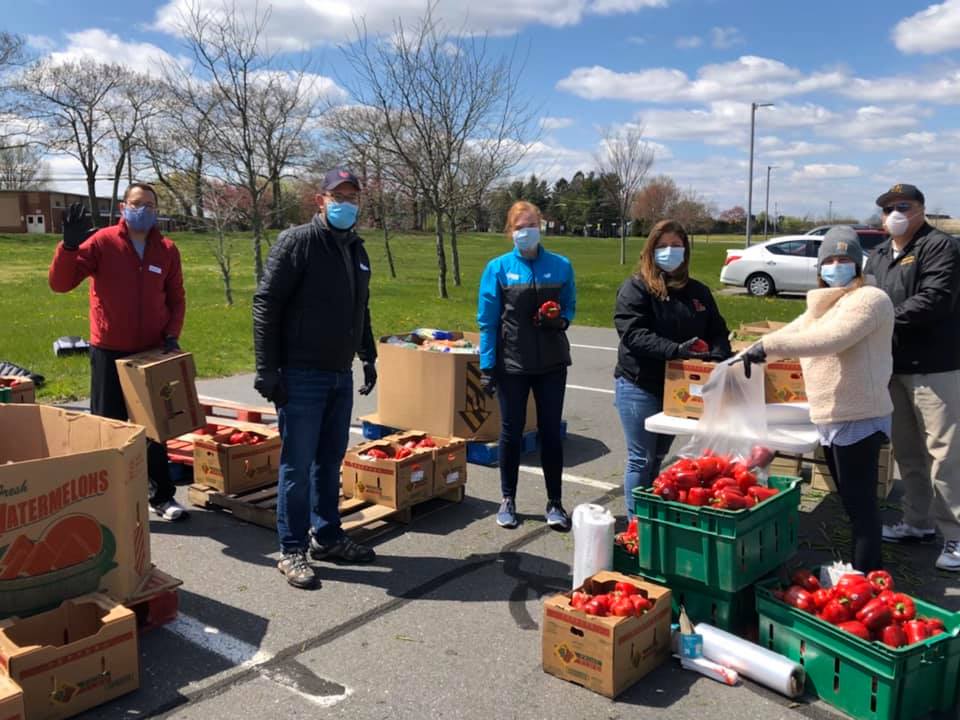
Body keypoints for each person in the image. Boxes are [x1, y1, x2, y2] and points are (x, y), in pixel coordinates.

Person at [252, 168, 378, 589]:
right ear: (319, 200)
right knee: (298, 466)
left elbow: (362, 308)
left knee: (329, 462)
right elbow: (266, 304)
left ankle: (328, 536)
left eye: (353, 196)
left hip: (339, 374)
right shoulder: (298, 242)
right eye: (338, 194)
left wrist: (368, 355)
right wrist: (267, 368)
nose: (347, 202)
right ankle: (291, 549)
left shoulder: (357, 249)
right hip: (301, 374)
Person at [742, 227, 895, 572]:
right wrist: (751, 350)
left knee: (861, 505)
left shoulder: (870, 299)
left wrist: (767, 348)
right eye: (830, 259)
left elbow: (830, 339)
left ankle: (869, 575)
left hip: (858, 415)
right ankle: (863, 573)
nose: (837, 265)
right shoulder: (827, 302)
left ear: (858, 264)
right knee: (849, 500)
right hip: (831, 414)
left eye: (844, 259)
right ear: (820, 266)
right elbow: (795, 329)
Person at [48, 183, 188, 521]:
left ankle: (161, 496)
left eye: (150, 205)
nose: (144, 210)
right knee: (109, 427)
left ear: (157, 210)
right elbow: (61, 283)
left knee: (154, 429)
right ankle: (108, 499)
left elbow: (176, 298)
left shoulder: (166, 249)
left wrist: (171, 336)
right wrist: (68, 247)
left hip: (151, 353)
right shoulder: (102, 242)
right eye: (137, 204)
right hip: (109, 352)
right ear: (123, 207)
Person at [863, 183, 960, 572]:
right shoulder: (881, 254)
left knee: (946, 452)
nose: (895, 214)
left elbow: (935, 298)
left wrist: (880, 318)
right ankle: (917, 523)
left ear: (921, 209)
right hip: (894, 366)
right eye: (887, 208)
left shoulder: (940, 247)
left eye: (903, 206)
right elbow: (865, 297)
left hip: (936, 367)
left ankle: (955, 535)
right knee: (907, 451)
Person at [613, 219, 732, 518]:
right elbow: (633, 333)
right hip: (640, 384)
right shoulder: (636, 288)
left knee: (659, 456)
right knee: (640, 458)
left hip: (678, 389)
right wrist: (676, 351)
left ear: (685, 251)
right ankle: (636, 523)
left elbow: (717, 329)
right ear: (651, 250)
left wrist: (718, 355)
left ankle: (655, 514)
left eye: (676, 246)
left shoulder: (698, 292)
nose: (669, 252)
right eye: (662, 246)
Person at [477, 201, 575, 531]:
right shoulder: (498, 268)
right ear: (510, 232)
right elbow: (487, 320)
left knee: (549, 432)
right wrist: (488, 365)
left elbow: (571, 307)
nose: (525, 231)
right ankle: (508, 499)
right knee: (510, 432)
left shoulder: (561, 265)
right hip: (512, 365)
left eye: (531, 224)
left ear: (541, 225)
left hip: (551, 363)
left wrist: (558, 320)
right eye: (519, 226)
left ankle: (555, 502)